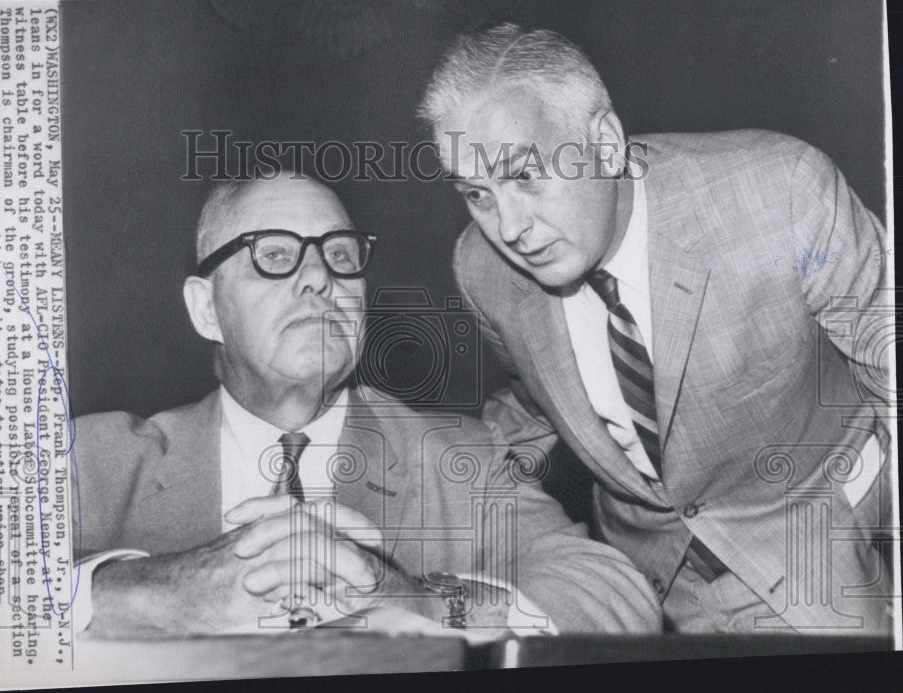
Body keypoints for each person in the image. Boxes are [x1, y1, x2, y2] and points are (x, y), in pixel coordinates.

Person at [418, 23, 892, 634]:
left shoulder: (781, 194)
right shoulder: (480, 268)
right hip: (642, 579)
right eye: (477, 195)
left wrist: (861, 521)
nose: (508, 227)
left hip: (811, 548)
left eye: (525, 176)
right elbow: (535, 405)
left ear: (606, 143)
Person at [70, 172, 661, 636]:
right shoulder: (93, 463)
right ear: (205, 310)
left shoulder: (465, 458)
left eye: (341, 254)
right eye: (274, 255)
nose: (319, 277)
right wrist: (158, 591)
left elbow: (614, 593)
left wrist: (421, 608)